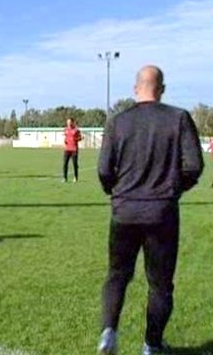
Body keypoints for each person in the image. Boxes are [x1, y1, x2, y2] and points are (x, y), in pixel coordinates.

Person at [97, 66, 203, 355]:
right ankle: (151, 345)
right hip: (161, 214)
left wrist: (116, 194)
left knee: (117, 274)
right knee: (159, 285)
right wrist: (173, 190)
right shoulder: (178, 118)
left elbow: (104, 170)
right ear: (163, 89)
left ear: (135, 89)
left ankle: (108, 331)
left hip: (124, 212)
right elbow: (193, 166)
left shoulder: (117, 122)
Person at [62, 118, 82, 183]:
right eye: (67, 122)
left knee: (74, 164)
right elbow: (66, 137)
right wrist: (65, 141)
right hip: (67, 149)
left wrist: (75, 139)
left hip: (74, 149)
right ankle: (65, 178)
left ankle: (75, 177)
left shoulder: (76, 130)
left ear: (72, 122)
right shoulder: (65, 130)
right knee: (65, 164)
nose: (69, 123)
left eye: (70, 122)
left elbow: (80, 138)